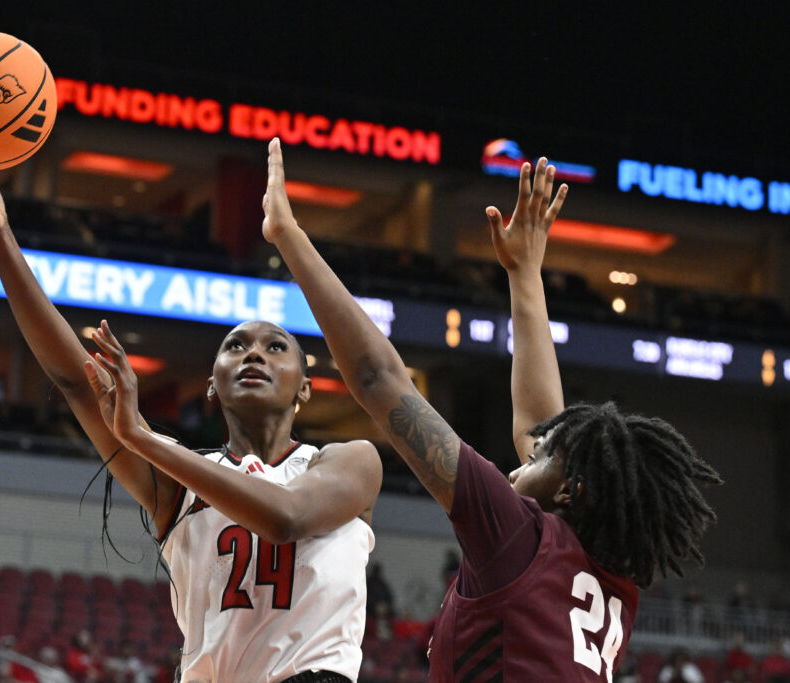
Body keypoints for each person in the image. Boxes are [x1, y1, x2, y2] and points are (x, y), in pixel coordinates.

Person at [0, 134, 383, 683]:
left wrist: (140, 437)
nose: (253, 353)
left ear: (305, 388)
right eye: (235, 346)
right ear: (211, 386)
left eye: (275, 347)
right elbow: (75, 381)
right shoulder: (179, 484)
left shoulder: (352, 461)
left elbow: (287, 518)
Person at [261, 138, 722, 681]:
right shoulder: (614, 583)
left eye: (538, 458)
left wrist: (289, 237)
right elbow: (543, 428)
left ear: (572, 491)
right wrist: (525, 275)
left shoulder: (516, 535)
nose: (521, 459)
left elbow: (378, 378)